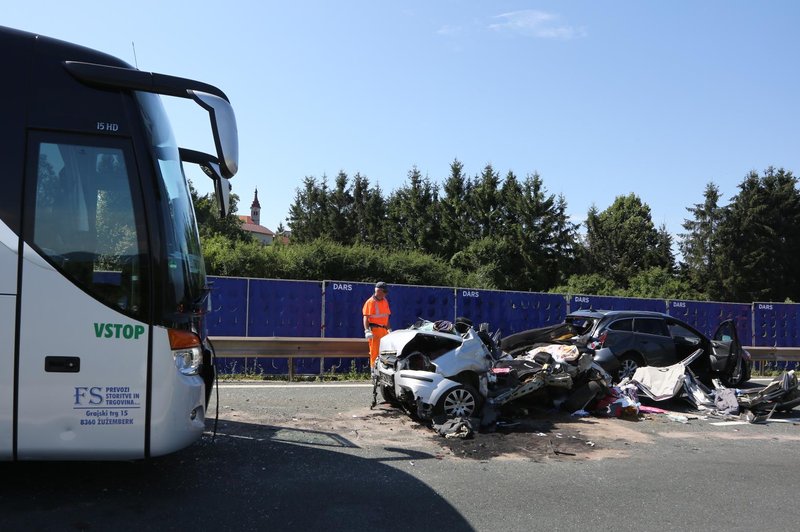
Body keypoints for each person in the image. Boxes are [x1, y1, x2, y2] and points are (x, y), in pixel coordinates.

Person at [362, 281, 391, 367]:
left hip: (384, 331)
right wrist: (367, 331)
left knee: (385, 353)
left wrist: (389, 329)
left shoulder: (385, 301)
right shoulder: (370, 302)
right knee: (374, 353)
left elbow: (386, 317)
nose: (385, 294)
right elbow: (366, 317)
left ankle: (382, 371)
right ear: (378, 291)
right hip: (375, 331)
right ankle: (374, 372)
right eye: (384, 292)